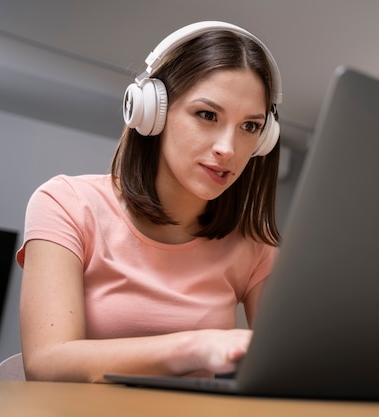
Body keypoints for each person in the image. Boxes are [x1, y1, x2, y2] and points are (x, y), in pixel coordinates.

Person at [15, 21, 283, 382]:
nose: (227, 149)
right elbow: (46, 363)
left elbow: (289, 367)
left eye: (250, 126)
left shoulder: (254, 245)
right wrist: (197, 346)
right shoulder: (65, 203)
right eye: (207, 115)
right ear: (151, 111)